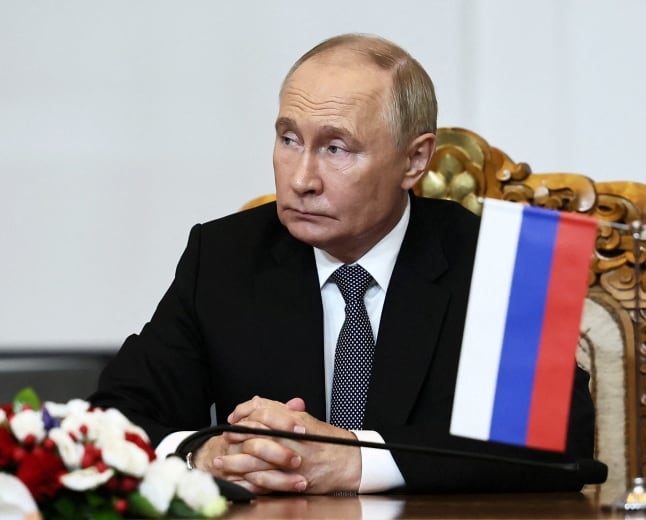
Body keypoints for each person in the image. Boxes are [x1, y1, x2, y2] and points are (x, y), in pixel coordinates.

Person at [90, 33, 598, 495]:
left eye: (336, 148)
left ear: (415, 160)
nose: (301, 178)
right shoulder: (224, 255)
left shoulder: (504, 262)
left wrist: (357, 460)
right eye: (289, 140)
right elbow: (112, 418)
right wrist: (203, 452)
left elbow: (557, 451)